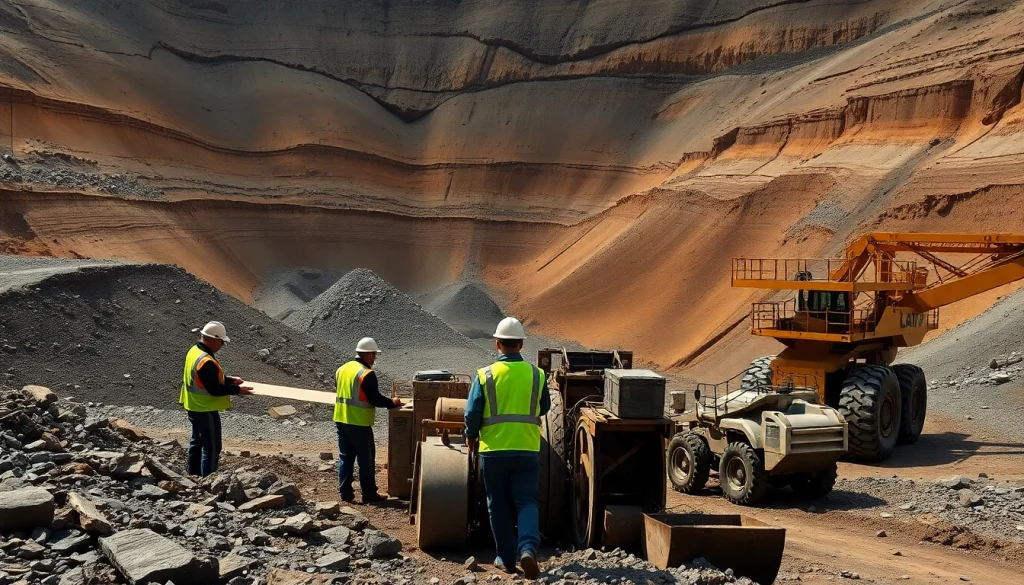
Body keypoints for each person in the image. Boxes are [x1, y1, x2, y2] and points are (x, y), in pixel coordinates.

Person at [465, 317, 549, 578]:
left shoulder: (485, 375)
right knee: (526, 502)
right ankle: (527, 549)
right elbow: (544, 407)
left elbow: (472, 412)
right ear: (522, 344)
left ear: (497, 344)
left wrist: (471, 435)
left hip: (494, 451)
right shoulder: (537, 374)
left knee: (498, 504)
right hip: (526, 448)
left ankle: (506, 558)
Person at [334, 337, 402, 504]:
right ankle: (369, 494)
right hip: (359, 423)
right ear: (369, 354)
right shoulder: (366, 373)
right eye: (374, 354)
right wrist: (392, 403)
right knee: (366, 460)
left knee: (345, 457)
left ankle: (346, 493)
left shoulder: (342, 369)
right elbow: (375, 399)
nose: (375, 358)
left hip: (341, 420)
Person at [179, 321, 252, 477]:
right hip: (205, 409)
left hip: (194, 406)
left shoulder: (195, 351)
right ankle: (208, 482)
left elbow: (207, 379)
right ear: (213, 339)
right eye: (221, 342)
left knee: (197, 443)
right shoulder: (206, 361)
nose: (222, 345)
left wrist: (230, 380)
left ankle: (193, 475)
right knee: (212, 448)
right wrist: (238, 390)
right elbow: (214, 389)